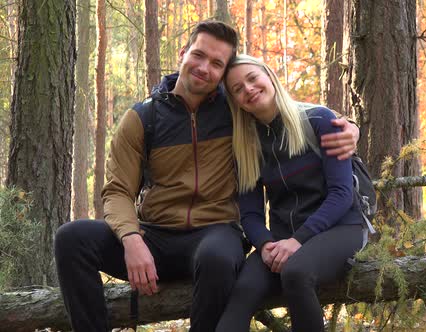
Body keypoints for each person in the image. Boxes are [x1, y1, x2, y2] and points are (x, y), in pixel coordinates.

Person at [54, 21, 359, 332]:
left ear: (224, 74)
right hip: (154, 237)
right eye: (198, 55)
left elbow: (285, 109)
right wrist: (132, 239)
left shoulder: (237, 110)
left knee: (218, 256)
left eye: (217, 64)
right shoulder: (142, 118)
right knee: (71, 238)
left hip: (214, 235)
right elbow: (118, 190)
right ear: (183, 53)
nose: (204, 68)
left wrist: (347, 127)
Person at [215, 54, 365, 332]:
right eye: (237, 88)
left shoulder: (319, 120)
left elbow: (342, 194)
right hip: (283, 241)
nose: (247, 89)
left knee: (296, 273)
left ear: (269, 76)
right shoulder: (246, 145)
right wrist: (265, 245)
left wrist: (298, 241)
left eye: (252, 78)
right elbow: (250, 213)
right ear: (235, 101)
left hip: (343, 227)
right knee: (244, 287)